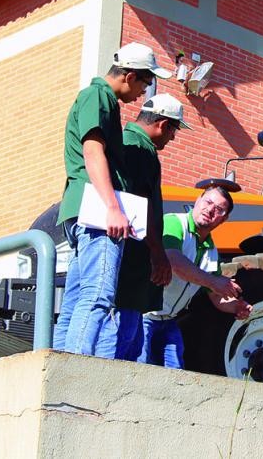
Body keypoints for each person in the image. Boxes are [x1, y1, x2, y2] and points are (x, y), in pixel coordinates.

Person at [54, 42, 172, 356]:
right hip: (95, 210)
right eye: (145, 83)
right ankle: (75, 367)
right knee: (98, 296)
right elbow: (93, 151)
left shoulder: (102, 99)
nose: (142, 93)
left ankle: (59, 363)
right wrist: (112, 207)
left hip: (81, 209)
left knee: (77, 298)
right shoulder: (99, 97)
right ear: (130, 75)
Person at [101, 94, 188, 360]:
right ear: (163, 124)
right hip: (130, 265)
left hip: (128, 262)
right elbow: (140, 205)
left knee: (131, 340)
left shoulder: (128, 144)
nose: (172, 138)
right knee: (122, 342)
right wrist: (158, 252)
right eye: (174, 130)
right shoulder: (141, 150)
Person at [139, 183, 251, 368]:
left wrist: (236, 306)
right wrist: (214, 281)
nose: (210, 210)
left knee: (175, 375)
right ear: (197, 200)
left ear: (224, 219)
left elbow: (215, 295)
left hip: (168, 320)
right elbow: (172, 261)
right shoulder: (175, 223)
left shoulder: (211, 252)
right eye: (207, 202)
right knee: (137, 369)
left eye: (219, 210)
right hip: (143, 316)